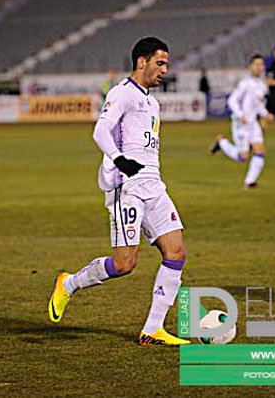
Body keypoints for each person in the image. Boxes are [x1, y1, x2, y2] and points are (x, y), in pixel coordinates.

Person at [48, 37, 189, 346]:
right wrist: (119, 159)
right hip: (126, 188)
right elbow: (100, 130)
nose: (165, 70)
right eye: (160, 63)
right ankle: (69, 283)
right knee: (125, 263)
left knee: (176, 252)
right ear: (142, 61)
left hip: (153, 185)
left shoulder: (152, 101)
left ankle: (153, 328)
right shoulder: (122, 93)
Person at [210, 54, 273, 188]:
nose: (259, 67)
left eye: (261, 64)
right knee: (243, 157)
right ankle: (221, 142)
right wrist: (240, 115)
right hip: (242, 123)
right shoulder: (245, 84)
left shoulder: (262, 85)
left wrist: (266, 114)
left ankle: (249, 182)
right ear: (251, 67)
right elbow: (232, 100)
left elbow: (258, 105)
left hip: (253, 123)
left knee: (260, 151)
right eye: (256, 64)